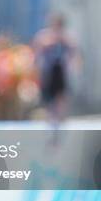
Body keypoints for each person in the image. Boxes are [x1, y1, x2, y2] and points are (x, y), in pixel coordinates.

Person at [32, 13, 78, 142]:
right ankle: (51, 127)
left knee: (61, 99)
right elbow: (38, 49)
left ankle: (61, 126)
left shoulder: (67, 36)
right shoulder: (45, 35)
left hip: (61, 72)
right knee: (49, 101)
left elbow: (73, 52)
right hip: (49, 72)